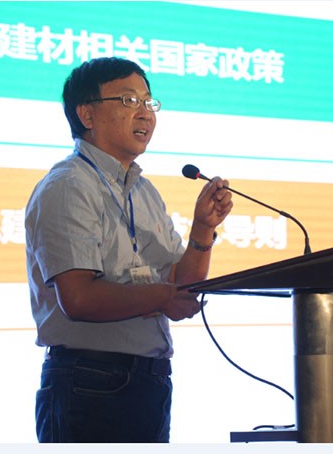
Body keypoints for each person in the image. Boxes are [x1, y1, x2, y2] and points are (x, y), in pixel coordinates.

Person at [25, 56, 233, 443]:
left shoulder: (144, 191)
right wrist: (162, 297)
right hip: (89, 381)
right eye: (128, 100)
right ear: (87, 114)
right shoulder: (69, 186)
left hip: (148, 380)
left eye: (148, 102)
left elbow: (180, 281)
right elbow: (78, 298)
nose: (145, 113)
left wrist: (203, 229)